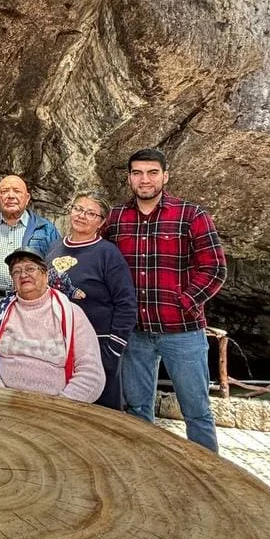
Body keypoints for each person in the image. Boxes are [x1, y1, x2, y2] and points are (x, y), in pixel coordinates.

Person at [102, 148, 226, 453]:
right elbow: (100, 261)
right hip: (134, 332)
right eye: (137, 173)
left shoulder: (191, 215)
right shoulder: (115, 218)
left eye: (152, 172)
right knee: (137, 410)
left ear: (165, 176)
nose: (145, 180)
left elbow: (215, 268)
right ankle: (145, 470)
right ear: (129, 177)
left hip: (182, 331)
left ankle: (209, 478)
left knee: (196, 411)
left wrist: (185, 302)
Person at [45, 192, 137, 412]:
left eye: (90, 213)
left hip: (97, 345)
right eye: (78, 209)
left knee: (99, 416)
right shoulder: (55, 248)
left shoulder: (108, 254)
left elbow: (126, 304)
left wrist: (114, 348)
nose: (82, 216)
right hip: (58, 345)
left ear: (101, 221)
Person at [0, 249, 105, 400]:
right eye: (16, 272)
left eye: (30, 269)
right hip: (4, 399)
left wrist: (62, 405)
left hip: (56, 406)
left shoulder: (72, 314)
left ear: (46, 275)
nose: (23, 275)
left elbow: (91, 373)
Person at [0, 175, 57, 300]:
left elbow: (56, 271)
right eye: (5, 191)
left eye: (17, 191)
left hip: (31, 300)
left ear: (27, 198)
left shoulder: (46, 229)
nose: (11, 196)